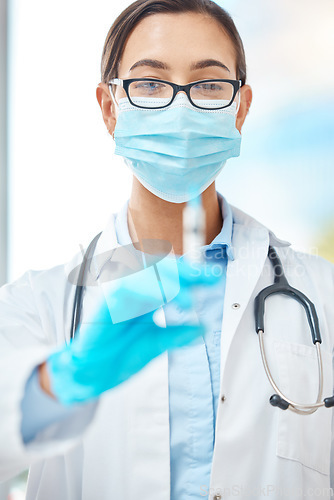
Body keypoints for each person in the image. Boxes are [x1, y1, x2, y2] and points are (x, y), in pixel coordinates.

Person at [0, 1, 333, 499]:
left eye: (209, 84)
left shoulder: (323, 297)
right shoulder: (37, 307)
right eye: (150, 84)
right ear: (110, 108)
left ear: (240, 108)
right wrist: (54, 387)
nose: (181, 107)